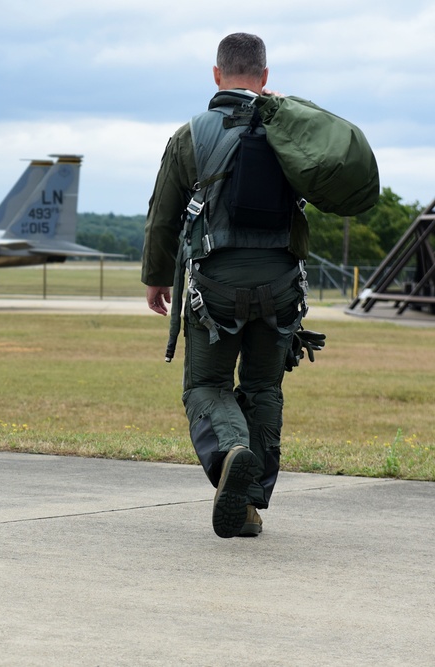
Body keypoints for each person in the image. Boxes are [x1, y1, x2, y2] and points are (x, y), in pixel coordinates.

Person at [141, 33, 310, 539]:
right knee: (262, 387)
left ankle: (231, 453)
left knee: (206, 386)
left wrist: (155, 278)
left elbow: (162, 219)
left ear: (217, 75)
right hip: (281, 286)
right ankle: (249, 503)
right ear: (264, 76)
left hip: (213, 290)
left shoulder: (188, 136)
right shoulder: (293, 132)